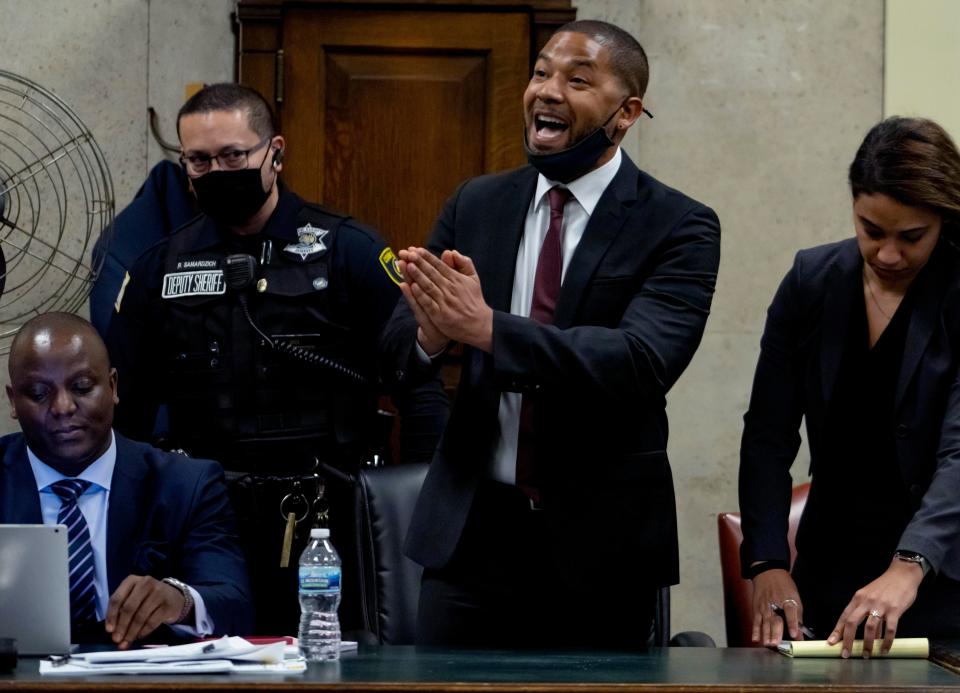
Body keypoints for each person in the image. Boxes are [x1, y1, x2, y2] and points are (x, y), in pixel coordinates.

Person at [386, 20, 721, 648]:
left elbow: (640, 362)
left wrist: (487, 329)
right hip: (470, 539)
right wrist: (431, 334)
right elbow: (397, 354)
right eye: (540, 72)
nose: (547, 91)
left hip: (602, 548)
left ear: (626, 113)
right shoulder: (476, 202)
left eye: (577, 79)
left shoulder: (679, 225)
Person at [105, 83, 449, 634]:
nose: (216, 170)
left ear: (275, 152)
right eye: (198, 159)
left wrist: (421, 513)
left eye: (233, 155)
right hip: (206, 517)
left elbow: (418, 383)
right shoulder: (158, 269)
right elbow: (126, 414)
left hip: (327, 515)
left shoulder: (347, 249)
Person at [740, 117, 960, 658]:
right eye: (871, 230)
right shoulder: (810, 280)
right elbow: (768, 435)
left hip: (944, 573)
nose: (888, 254)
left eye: (912, 237)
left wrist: (910, 564)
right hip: (829, 567)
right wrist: (768, 562)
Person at [0, 312, 251, 647]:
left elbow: (234, 604)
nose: (62, 407)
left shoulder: (185, 484)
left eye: (82, 387)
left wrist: (180, 602)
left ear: (113, 386)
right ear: (13, 400)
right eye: (38, 393)